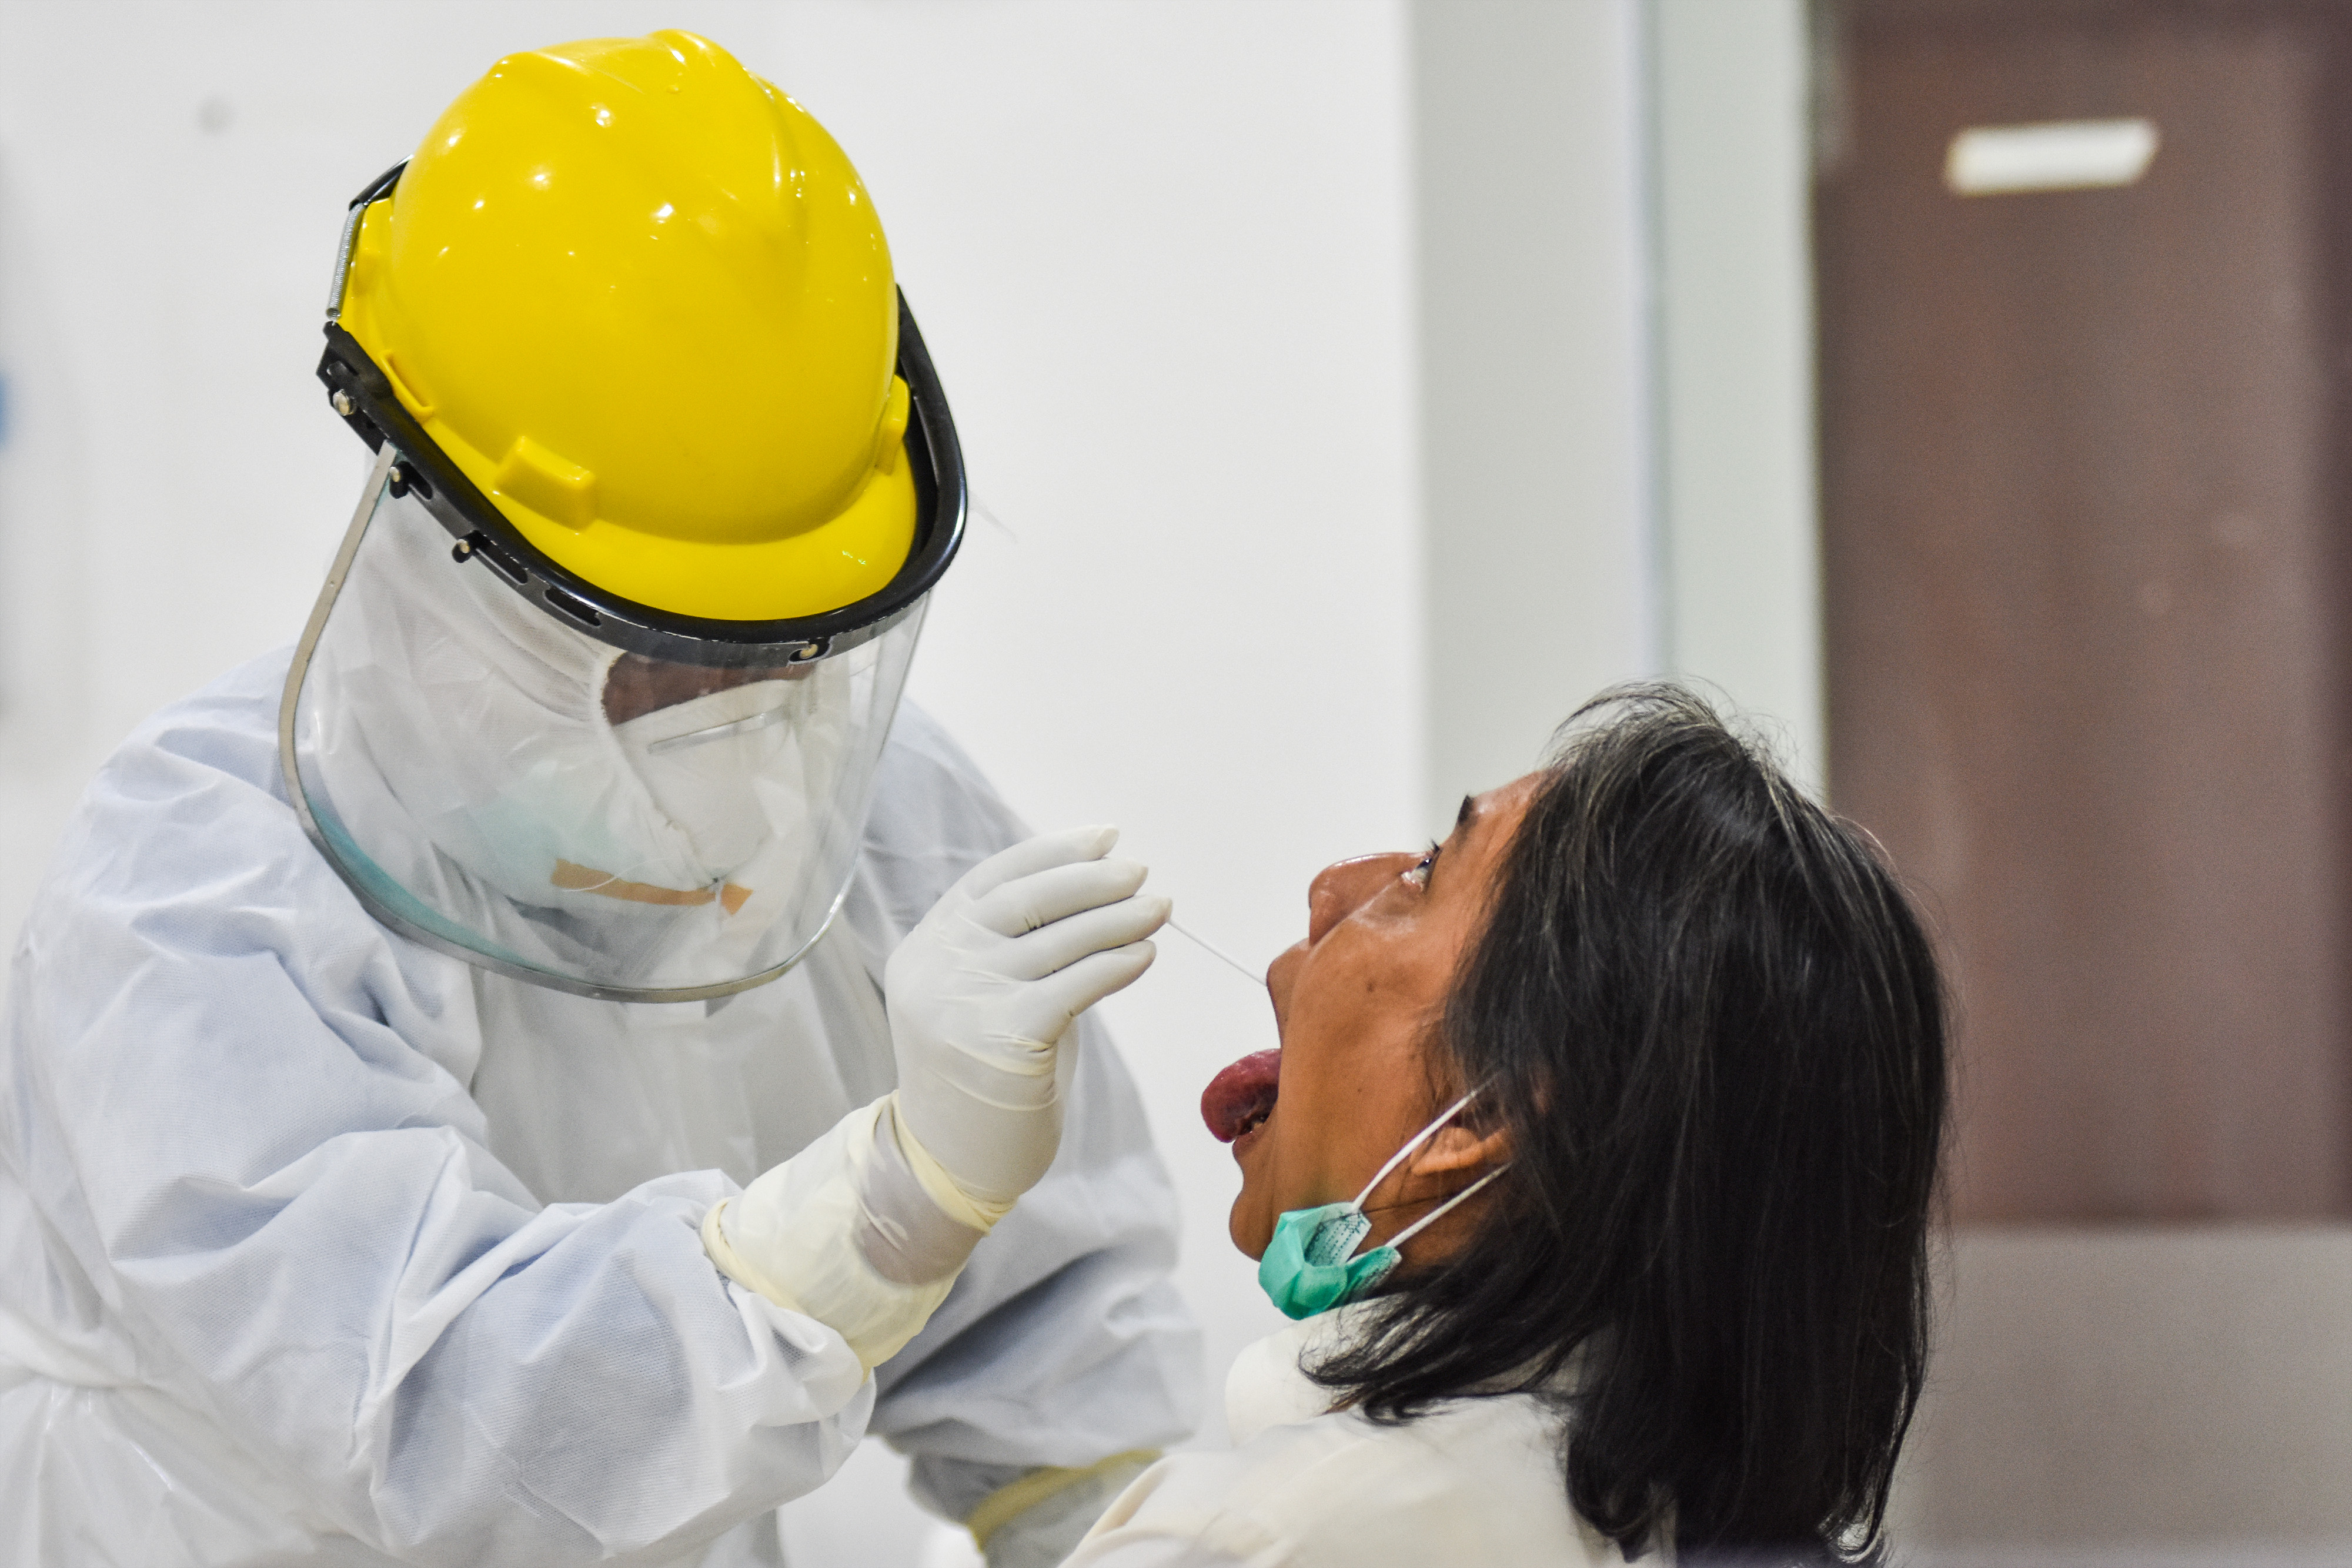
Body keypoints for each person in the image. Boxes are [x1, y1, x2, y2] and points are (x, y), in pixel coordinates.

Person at [0, 32, 1198, 1567]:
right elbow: (439, 1414)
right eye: (651, 653)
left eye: (784, 654)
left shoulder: (875, 819)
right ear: (443, 556)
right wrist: (887, 1202)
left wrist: (1140, 1529)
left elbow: (1054, 1336)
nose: (728, 728)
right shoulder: (198, 892)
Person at [1074, 686, 1949, 1566]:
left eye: (1424, 875)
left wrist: (930, 1214)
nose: (1330, 890)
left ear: (1486, 1112)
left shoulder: (1277, 1537)